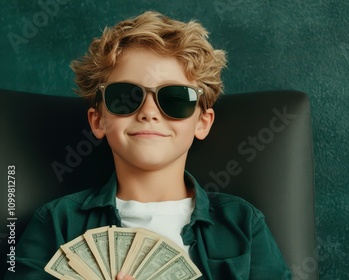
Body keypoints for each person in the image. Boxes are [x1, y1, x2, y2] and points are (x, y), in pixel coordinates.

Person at [6, 11, 290, 280]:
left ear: (202, 122)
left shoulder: (243, 224)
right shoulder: (56, 223)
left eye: (176, 98)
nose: (148, 112)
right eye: (126, 97)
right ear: (98, 120)